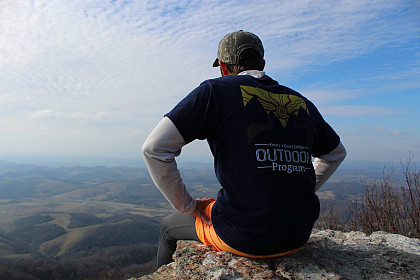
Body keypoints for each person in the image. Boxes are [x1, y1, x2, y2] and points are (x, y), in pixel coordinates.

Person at [142, 30, 346, 268]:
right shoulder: (301, 102)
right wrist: (297, 189)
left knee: (169, 227)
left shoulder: (215, 92)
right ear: (262, 63)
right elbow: (335, 153)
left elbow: (154, 148)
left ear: (223, 68)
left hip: (243, 235)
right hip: (298, 235)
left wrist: (189, 206)